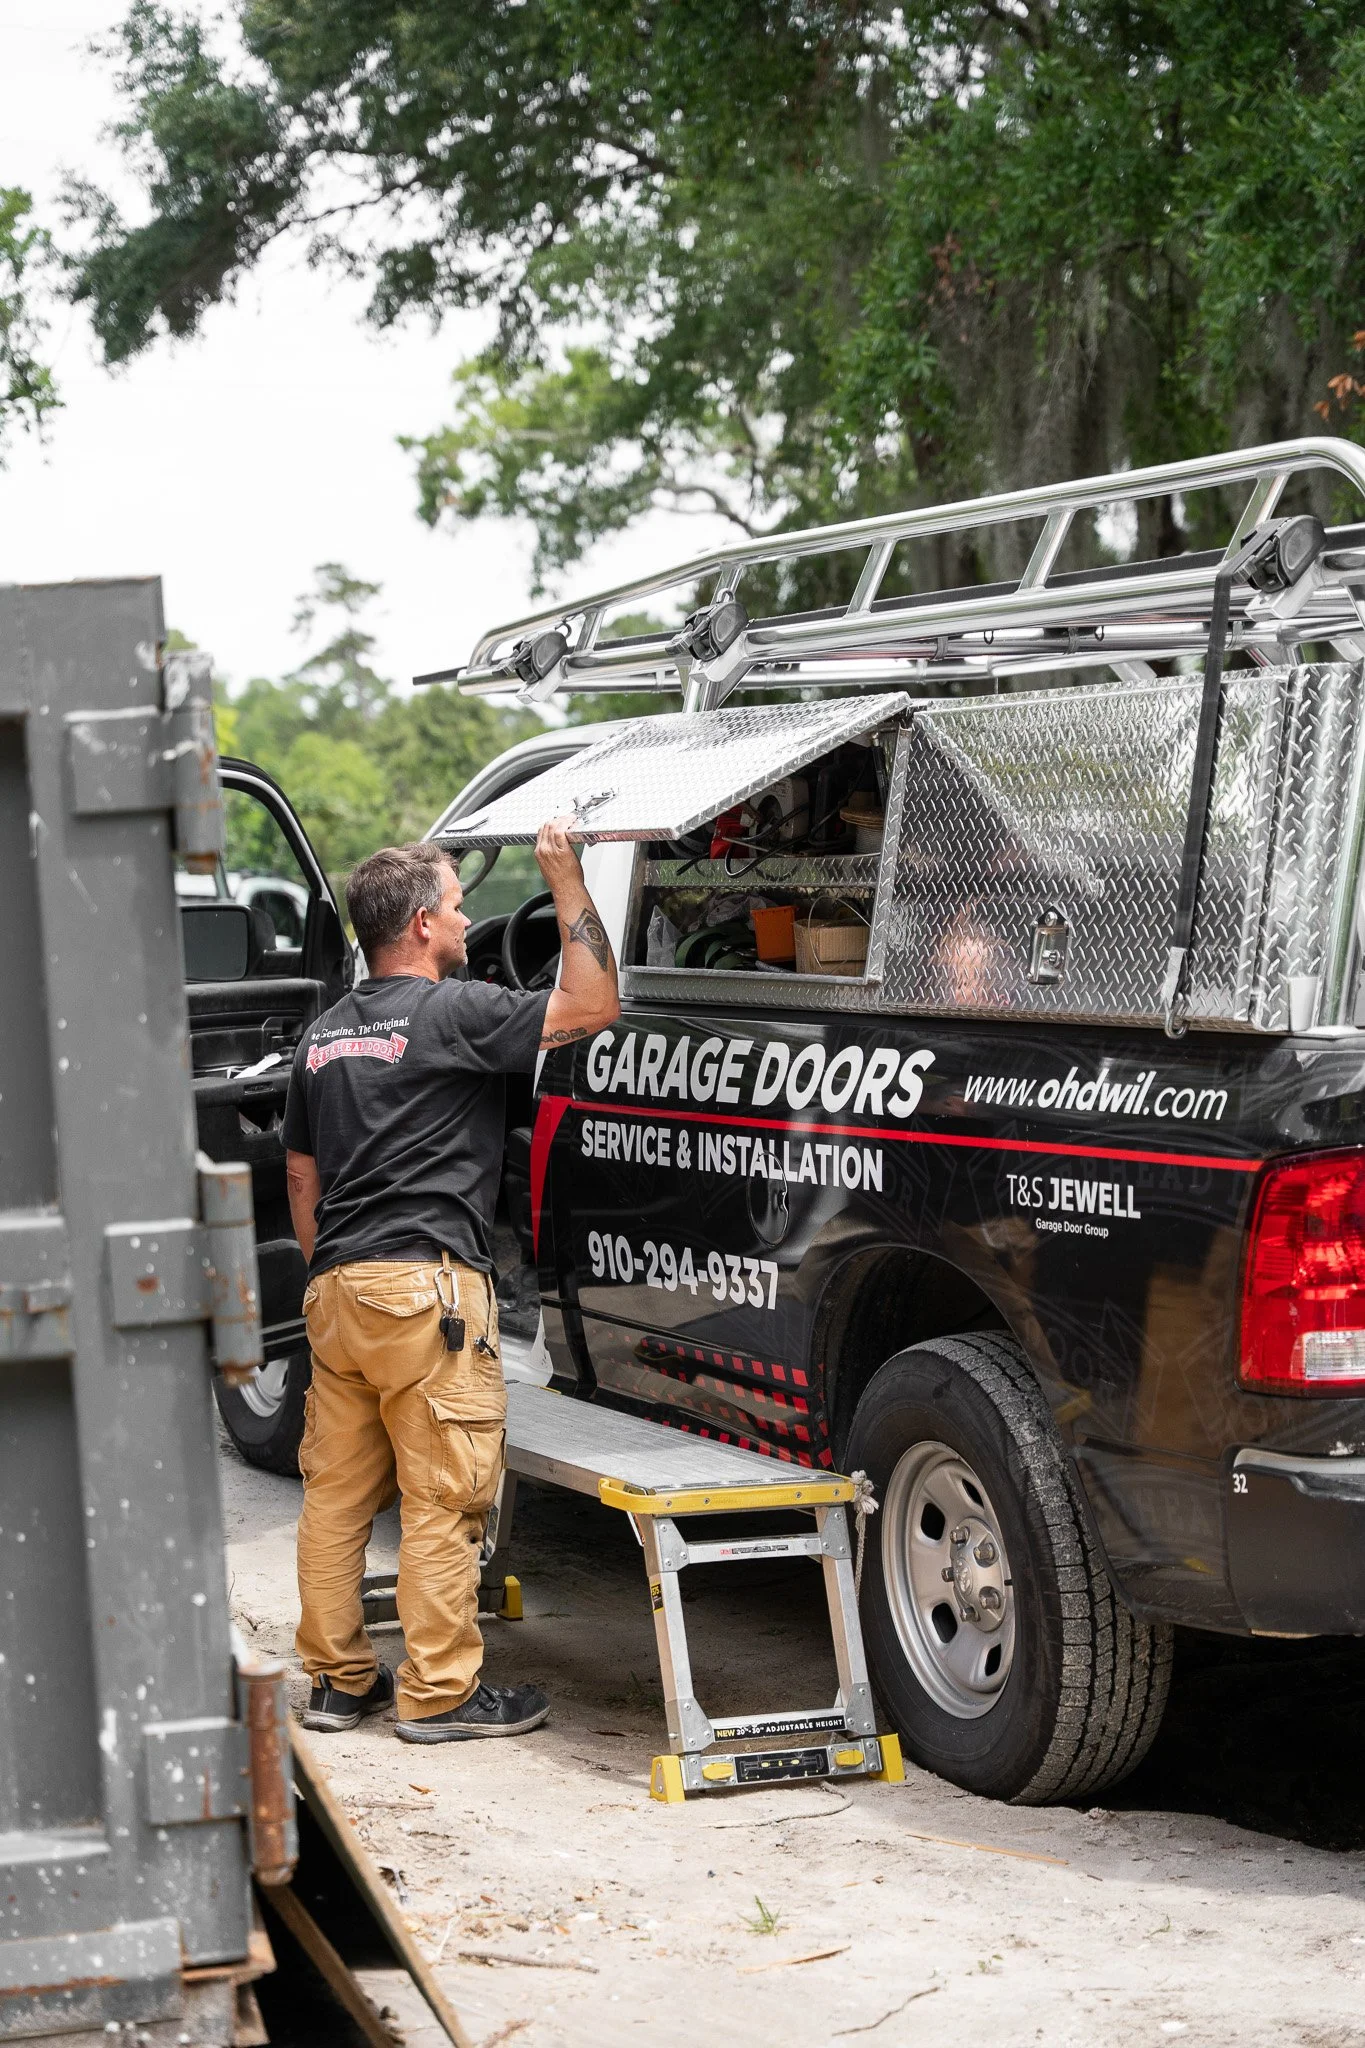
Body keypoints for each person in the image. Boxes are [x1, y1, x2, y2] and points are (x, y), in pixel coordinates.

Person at [281, 822, 619, 1743]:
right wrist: (564, 877)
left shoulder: (323, 1037)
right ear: (425, 923)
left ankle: (339, 1681)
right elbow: (590, 1007)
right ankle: (438, 1695)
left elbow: (300, 1177)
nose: (469, 919)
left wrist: (330, 1270)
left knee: (337, 1499)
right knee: (444, 1497)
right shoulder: (455, 1012)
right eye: (459, 904)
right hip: (425, 1294)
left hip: (337, 1294)